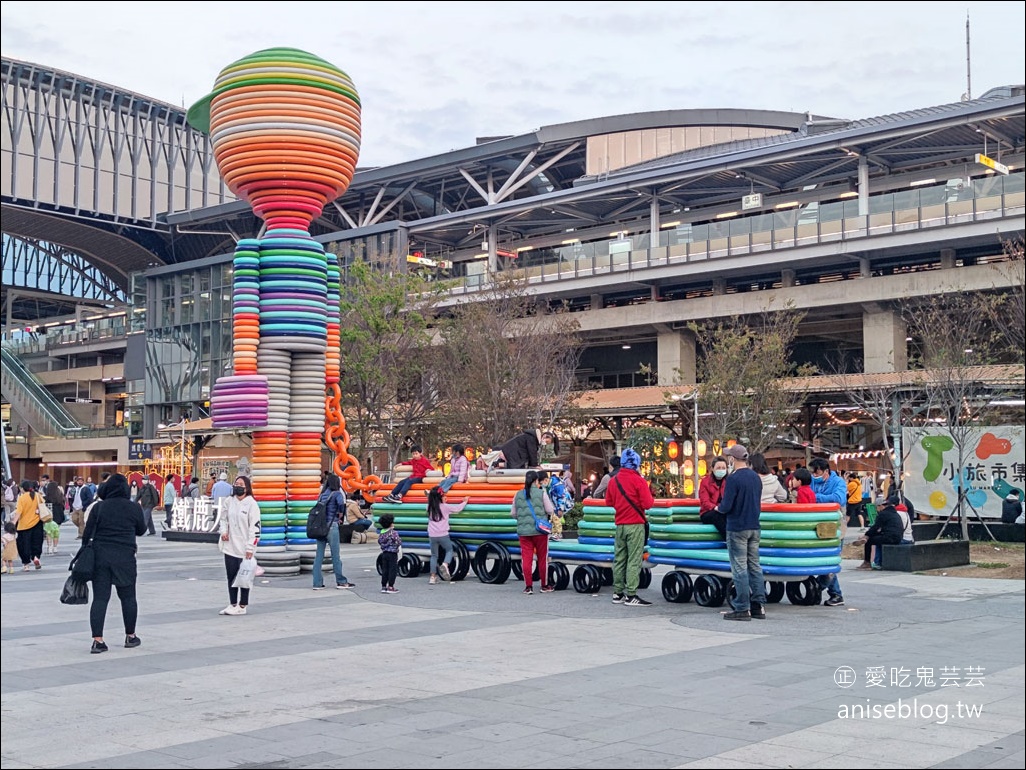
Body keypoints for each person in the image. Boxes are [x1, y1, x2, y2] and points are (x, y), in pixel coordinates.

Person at [82, 473, 147, 654]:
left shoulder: (99, 507)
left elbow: (87, 535)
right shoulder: (133, 508)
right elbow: (141, 530)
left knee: (100, 599)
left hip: (101, 558)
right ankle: (131, 636)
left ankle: (98, 640)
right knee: (128, 597)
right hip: (125, 558)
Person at [718, 445, 766, 620]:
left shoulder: (733, 479)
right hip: (754, 526)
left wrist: (718, 508)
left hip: (737, 527)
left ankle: (742, 607)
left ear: (733, 459)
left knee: (739, 569)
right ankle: (758, 606)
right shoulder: (755, 477)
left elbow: (726, 506)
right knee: (754, 566)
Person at [605, 448, 655, 607]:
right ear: (637, 463)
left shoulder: (614, 480)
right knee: (634, 560)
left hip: (620, 525)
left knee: (619, 559)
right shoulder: (639, 480)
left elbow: (609, 502)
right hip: (635, 525)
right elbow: (648, 504)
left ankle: (617, 593)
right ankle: (631, 594)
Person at [217, 475, 260, 615]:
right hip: (230, 546)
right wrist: (223, 531)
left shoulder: (252, 504)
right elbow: (223, 519)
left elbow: (255, 528)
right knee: (232, 576)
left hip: (244, 548)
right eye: (236, 484)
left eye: (241, 484)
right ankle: (232, 603)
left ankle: (242, 605)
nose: (238, 486)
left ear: (247, 488)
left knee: (244, 577)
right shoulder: (229, 501)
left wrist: (250, 548)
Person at [808, 458, 847, 606]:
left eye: (816, 472)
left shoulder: (838, 482)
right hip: (816, 524)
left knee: (830, 559)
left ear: (826, 471)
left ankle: (826, 589)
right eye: (812, 472)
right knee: (821, 559)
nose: (814, 475)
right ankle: (828, 591)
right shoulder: (811, 481)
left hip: (834, 525)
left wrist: (815, 498)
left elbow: (839, 499)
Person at [511, 470, 556, 595]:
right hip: (540, 531)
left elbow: (513, 513)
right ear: (536, 481)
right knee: (542, 558)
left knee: (526, 559)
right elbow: (550, 510)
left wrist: (523, 520)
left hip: (524, 533)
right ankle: (544, 585)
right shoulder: (542, 493)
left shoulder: (518, 494)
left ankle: (528, 586)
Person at [311, 474, 356, 591]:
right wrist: (340, 515)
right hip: (332, 526)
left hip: (320, 528)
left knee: (319, 556)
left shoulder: (322, 495)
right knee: (335, 555)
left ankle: (317, 583)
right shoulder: (337, 494)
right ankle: (341, 581)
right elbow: (341, 505)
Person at [426, 485, 468, 584]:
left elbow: (430, 498)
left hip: (432, 534)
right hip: (443, 533)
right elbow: (458, 509)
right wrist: (465, 501)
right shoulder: (445, 507)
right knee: (449, 550)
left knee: (434, 555)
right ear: (440, 497)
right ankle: (445, 564)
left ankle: (432, 577)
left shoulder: (429, 506)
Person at [855, 501, 910, 570]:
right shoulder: (895, 513)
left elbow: (875, 527)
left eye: (877, 507)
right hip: (898, 537)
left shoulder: (883, 514)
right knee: (873, 537)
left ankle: (867, 562)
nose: (876, 509)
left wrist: (867, 535)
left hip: (890, 538)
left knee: (869, 541)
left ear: (881, 506)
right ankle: (865, 538)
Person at [478, 428, 555, 471]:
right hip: (512, 454)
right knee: (511, 466)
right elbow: (532, 453)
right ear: (544, 436)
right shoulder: (532, 439)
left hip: (511, 453)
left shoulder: (530, 437)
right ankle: (489, 464)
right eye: (547, 442)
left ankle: (491, 465)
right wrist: (534, 465)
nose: (546, 444)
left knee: (509, 466)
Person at [14, 480, 45, 571]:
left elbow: (19, 512)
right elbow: (42, 505)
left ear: (22, 488)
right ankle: (36, 557)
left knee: (24, 545)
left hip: (24, 525)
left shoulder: (22, 498)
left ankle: (26, 564)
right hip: (37, 523)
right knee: (36, 543)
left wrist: (13, 522)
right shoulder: (38, 495)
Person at [698, 455, 729, 537]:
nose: (721, 470)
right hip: (708, 513)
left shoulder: (729, 481)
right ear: (712, 468)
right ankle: (729, 539)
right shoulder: (705, 482)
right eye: (718, 468)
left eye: (723, 468)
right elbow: (705, 502)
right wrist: (716, 508)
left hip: (724, 512)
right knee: (717, 516)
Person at [377, 513, 402, 594]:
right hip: (392, 553)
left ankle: (383, 585)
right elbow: (398, 541)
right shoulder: (393, 533)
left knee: (385, 569)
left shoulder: (381, 533)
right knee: (392, 569)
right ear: (391, 523)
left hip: (384, 553)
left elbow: (379, 542)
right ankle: (390, 586)